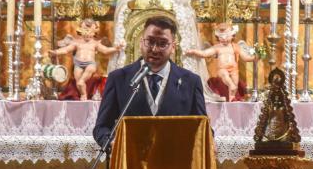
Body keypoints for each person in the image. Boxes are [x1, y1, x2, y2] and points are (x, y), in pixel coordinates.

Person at [93, 16, 207, 147]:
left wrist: (209, 141)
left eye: (162, 43)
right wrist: (112, 143)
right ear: (141, 42)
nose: (154, 49)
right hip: (131, 162)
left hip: (176, 162)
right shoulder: (118, 78)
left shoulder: (191, 82)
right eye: (150, 41)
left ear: (173, 47)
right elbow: (102, 128)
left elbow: (203, 126)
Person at [50, 19, 125, 101]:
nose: (87, 34)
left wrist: (116, 48)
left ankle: (83, 90)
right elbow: (66, 50)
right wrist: (56, 52)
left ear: (94, 33)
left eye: (90, 32)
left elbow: (105, 50)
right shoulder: (76, 42)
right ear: (81, 31)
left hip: (90, 64)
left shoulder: (95, 43)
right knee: (78, 81)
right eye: (85, 32)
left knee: (81, 81)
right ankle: (83, 94)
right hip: (78, 64)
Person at [185, 23, 256, 102]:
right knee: (226, 77)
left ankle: (231, 98)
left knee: (235, 84)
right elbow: (205, 53)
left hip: (234, 69)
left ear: (232, 35)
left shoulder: (236, 47)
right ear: (218, 37)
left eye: (227, 36)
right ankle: (231, 85)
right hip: (222, 69)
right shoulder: (217, 47)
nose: (224, 39)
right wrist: (194, 51)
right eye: (221, 37)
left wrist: (255, 58)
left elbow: (245, 58)